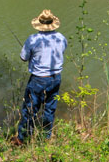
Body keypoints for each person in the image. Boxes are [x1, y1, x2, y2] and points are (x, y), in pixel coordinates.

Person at [12, 9, 67, 146]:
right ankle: (46, 136)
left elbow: (23, 57)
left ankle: (22, 138)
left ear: (39, 24)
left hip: (38, 79)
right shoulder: (61, 37)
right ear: (53, 23)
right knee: (49, 108)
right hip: (56, 78)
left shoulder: (33, 39)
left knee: (29, 110)